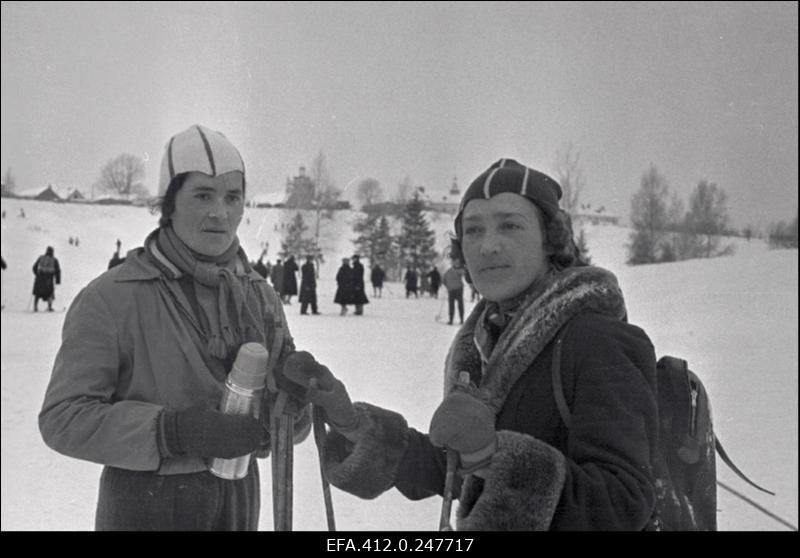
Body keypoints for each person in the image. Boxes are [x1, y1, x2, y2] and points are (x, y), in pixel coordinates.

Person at [282, 158, 660, 531]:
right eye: (473, 231)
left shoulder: (598, 340)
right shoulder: (484, 340)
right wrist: (352, 424)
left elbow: (624, 502)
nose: (488, 246)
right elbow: (457, 468)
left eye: (510, 226)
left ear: (551, 240)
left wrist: (492, 457)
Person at [38, 124, 310, 531]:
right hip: (145, 503)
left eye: (232, 197)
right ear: (169, 205)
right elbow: (63, 418)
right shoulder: (113, 297)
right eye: (203, 195)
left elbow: (285, 425)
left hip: (237, 500)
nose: (220, 212)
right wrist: (170, 432)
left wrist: (297, 402)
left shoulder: (259, 297)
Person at [32, 246, 61, 312]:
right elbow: (58, 270)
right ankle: (49, 307)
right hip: (49, 278)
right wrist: (57, 280)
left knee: (37, 293)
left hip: (40, 278)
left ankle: (35, 307)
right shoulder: (54, 260)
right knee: (50, 293)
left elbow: (34, 267)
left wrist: (37, 273)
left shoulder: (41, 258)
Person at [442, 260, 465, 325]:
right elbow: (444, 280)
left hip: (456, 290)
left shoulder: (450, 271)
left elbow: (443, 281)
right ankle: (455, 320)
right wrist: (448, 286)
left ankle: (458, 320)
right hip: (455, 290)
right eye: (455, 263)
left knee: (456, 305)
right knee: (456, 305)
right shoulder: (455, 271)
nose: (456, 264)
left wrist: (448, 286)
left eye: (457, 263)